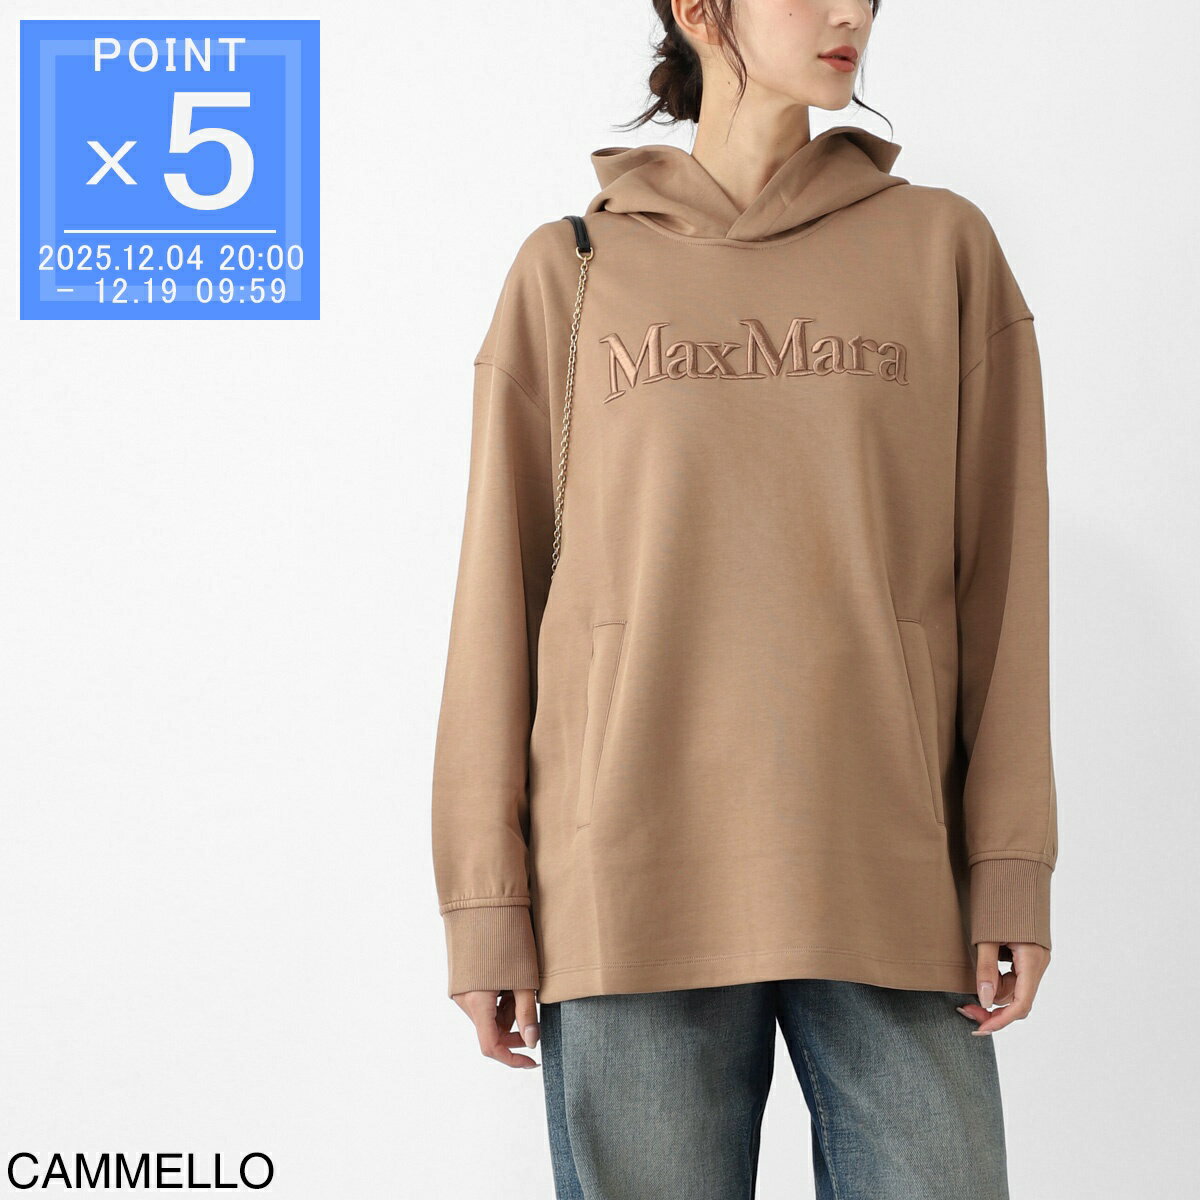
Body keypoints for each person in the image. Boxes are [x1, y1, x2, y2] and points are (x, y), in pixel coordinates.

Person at [431, 1, 1057, 1196]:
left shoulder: (942, 250)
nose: (850, 11)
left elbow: (1002, 582)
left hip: (888, 867)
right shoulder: (573, 269)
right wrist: (485, 898)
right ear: (697, 8)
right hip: (629, 876)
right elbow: (497, 599)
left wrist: (1011, 860)